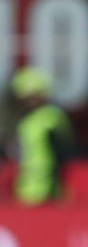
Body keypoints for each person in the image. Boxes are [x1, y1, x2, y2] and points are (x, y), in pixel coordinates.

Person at [7, 67, 73, 205]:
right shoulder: (26, 120)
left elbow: (62, 154)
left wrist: (56, 187)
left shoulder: (51, 118)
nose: (27, 101)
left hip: (45, 190)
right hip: (26, 188)